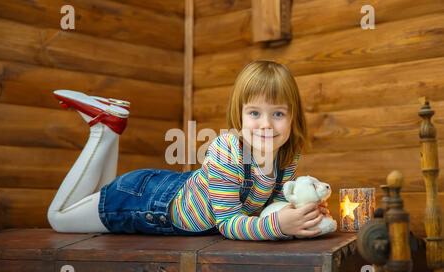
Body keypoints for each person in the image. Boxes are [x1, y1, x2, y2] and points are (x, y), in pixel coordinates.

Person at [47, 60, 330, 240]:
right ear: (239, 116)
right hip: (145, 203)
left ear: (293, 118)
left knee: (93, 194)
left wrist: (304, 210)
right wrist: (279, 226)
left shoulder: (287, 157)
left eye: (278, 114)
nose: (266, 124)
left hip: (173, 188)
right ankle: (104, 130)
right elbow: (229, 223)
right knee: (58, 218)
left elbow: (272, 208)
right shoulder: (226, 152)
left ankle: (110, 125)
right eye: (255, 113)